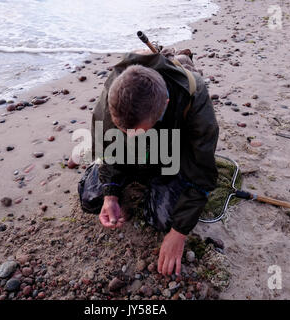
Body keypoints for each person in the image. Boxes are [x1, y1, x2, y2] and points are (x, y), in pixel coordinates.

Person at [78, 48, 219, 276]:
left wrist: (179, 234)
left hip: (172, 146)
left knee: (165, 220)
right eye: (124, 130)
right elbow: (107, 151)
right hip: (138, 144)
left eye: (138, 131)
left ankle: (180, 61)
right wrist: (111, 194)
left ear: (165, 103)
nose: (130, 137)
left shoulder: (194, 96)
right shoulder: (114, 93)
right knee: (90, 200)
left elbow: (202, 172)